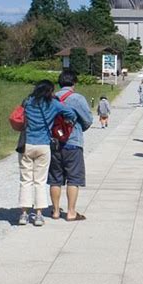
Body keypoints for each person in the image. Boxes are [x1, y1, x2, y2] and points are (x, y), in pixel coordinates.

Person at [18, 79, 75, 226]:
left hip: (27, 144)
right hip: (43, 145)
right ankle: (38, 215)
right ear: (50, 91)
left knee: (25, 180)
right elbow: (70, 113)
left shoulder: (28, 102)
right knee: (40, 181)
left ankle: (23, 214)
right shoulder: (54, 104)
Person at [48, 69, 93, 222]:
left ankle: (54, 211)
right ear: (74, 83)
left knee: (55, 178)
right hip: (73, 142)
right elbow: (88, 120)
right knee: (73, 178)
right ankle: (71, 212)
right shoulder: (77, 98)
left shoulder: (51, 98)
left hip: (54, 143)